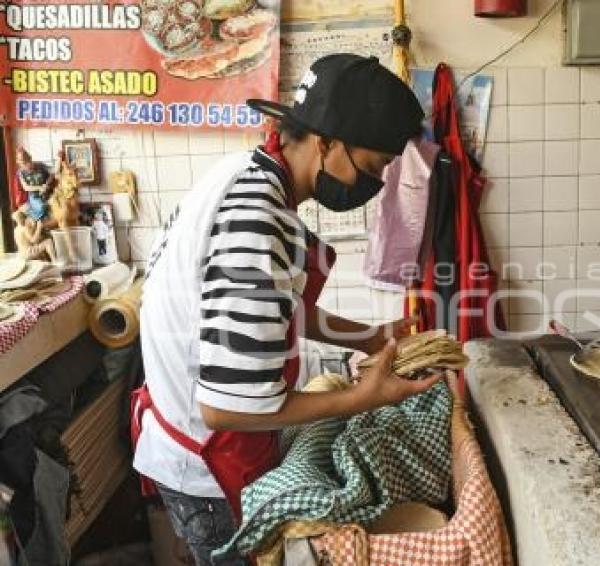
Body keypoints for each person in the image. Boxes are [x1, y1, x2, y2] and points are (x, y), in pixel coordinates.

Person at [131, 54, 438, 565]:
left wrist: (364, 338)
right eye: (373, 166)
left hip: (184, 436)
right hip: (207, 460)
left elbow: (264, 313)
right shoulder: (255, 216)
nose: (376, 183)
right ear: (326, 143)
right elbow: (229, 407)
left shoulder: (242, 172)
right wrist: (364, 397)